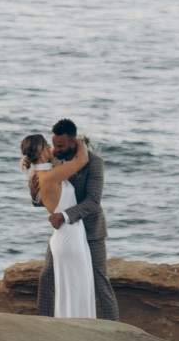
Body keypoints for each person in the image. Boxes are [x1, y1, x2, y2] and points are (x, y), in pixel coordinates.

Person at [27, 118, 119, 320]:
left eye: (60, 145)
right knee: (47, 277)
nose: (55, 149)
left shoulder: (94, 163)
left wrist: (65, 215)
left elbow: (93, 201)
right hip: (66, 233)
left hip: (91, 230)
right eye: (53, 144)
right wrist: (35, 196)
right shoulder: (53, 160)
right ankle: (43, 323)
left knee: (100, 281)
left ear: (72, 142)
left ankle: (116, 328)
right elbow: (52, 197)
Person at [19, 133, 96, 317]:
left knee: (70, 291)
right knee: (78, 290)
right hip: (70, 237)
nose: (51, 147)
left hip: (67, 236)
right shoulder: (51, 175)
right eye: (47, 144)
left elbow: (51, 154)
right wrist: (77, 140)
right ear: (42, 150)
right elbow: (83, 159)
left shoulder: (38, 173)